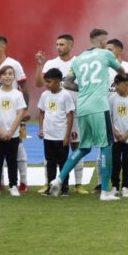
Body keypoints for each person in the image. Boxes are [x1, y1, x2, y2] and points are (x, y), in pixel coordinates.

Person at [48, 28, 125, 202]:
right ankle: (105, 191)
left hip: (82, 107)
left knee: (84, 147)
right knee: (106, 146)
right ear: (102, 41)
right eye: (106, 41)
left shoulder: (79, 59)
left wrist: (83, 88)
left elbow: (67, 83)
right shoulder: (105, 54)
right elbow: (120, 71)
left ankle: (58, 179)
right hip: (99, 105)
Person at [36, 34, 87, 193]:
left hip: (76, 112)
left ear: (71, 45)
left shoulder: (79, 63)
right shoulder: (51, 64)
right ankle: (49, 183)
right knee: (51, 153)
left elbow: (85, 85)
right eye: (57, 44)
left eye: (62, 44)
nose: (58, 47)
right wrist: (39, 65)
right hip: (55, 116)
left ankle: (78, 184)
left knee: (77, 146)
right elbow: (39, 84)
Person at [0, 35, 29, 193]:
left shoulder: (14, 64)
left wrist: (25, 109)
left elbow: (25, 87)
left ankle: (22, 182)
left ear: (3, 47)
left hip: (15, 113)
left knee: (18, 146)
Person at [37, 68, 75, 196]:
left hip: (61, 135)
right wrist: (41, 128)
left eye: (49, 82)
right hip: (48, 135)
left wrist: (67, 135)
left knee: (63, 162)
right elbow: (41, 112)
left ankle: (64, 187)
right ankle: (50, 187)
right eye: (45, 82)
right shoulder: (44, 95)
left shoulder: (65, 95)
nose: (46, 84)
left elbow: (70, 115)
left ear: (58, 81)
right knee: (50, 162)